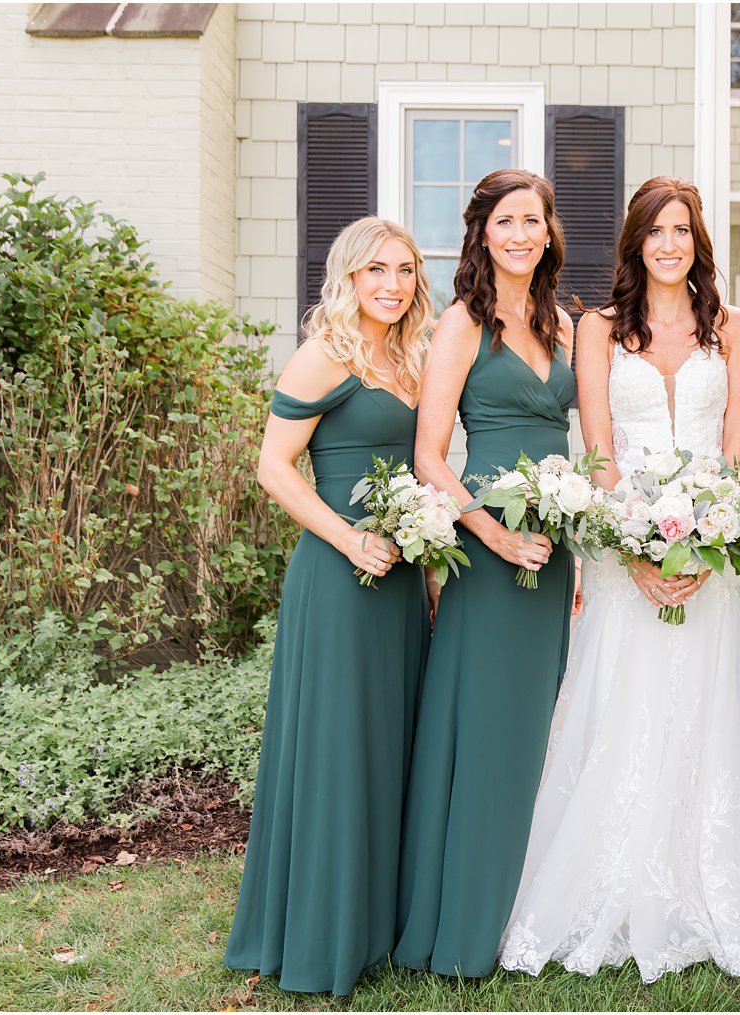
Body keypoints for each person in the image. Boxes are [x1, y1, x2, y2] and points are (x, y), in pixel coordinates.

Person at [499, 176, 740, 982]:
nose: (670, 243)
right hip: (620, 549)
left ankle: (705, 883)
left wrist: (707, 546)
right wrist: (634, 552)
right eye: (655, 231)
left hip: (712, 554)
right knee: (618, 708)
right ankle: (605, 882)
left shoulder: (733, 326)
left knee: (704, 711)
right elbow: (597, 451)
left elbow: (737, 445)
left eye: (682, 230)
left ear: (697, 241)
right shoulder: (595, 329)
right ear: (634, 242)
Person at [224, 217, 433, 995]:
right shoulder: (326, 354)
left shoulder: (408, 357)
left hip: (404, 578)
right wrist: (351, 542)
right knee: (340, 751)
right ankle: (323, 932)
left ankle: (376, 922)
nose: (392, 284)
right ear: (347, 277)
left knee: (388, 745)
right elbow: (274, 468)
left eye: (405, 270)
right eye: (375, 270)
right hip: (342, 579)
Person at [393, 169, 578, 978]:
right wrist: (494, 538)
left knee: (538, 734)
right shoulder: (465, 324)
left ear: (548, 234)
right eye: (505, 221)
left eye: (532, 221)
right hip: (492, 547)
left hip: (558, 544)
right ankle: (462, 922)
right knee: (487, 734)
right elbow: (429, 454)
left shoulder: (564, 323)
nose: (519, 234)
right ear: (483, 232)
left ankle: (521, 908)